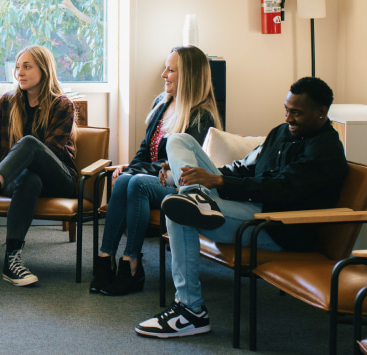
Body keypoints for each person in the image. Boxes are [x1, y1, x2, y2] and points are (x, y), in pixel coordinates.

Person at [135, 77, 348, 338]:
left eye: (297, 113)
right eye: (287, 109)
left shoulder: (326, 150)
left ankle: (191, 311)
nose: (289, 118)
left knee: (178, 211)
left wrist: (219, 181)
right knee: (178, 140)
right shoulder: (280, 132)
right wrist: (192, 175)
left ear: (321, 112)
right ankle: (195, 196)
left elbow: (281, 188)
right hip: (248, 208)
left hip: (276, 227)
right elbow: (244, 167)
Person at [89, 46, 223, 296]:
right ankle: (105, 259)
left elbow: (176, 165)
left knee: (136, 181)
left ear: (189, 77)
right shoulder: (161, 103)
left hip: (178, 184)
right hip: (150, 177)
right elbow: (145, 150)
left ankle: (131, 264)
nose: (163, 74)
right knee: (124, 179)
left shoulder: (200, 117)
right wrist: (128, 166)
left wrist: (134, 171)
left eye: (170, 70)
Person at [0, 45, 77, 287]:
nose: (19, 73)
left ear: (44, 70)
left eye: (26, 66)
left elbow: (51, 153)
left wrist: (1, 163)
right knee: (29, 178)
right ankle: (11, 261)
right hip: (21, 180)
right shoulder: (7, 102)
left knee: (31, 145)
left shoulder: (62, 105)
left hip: (60, 180)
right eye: (17, 67)